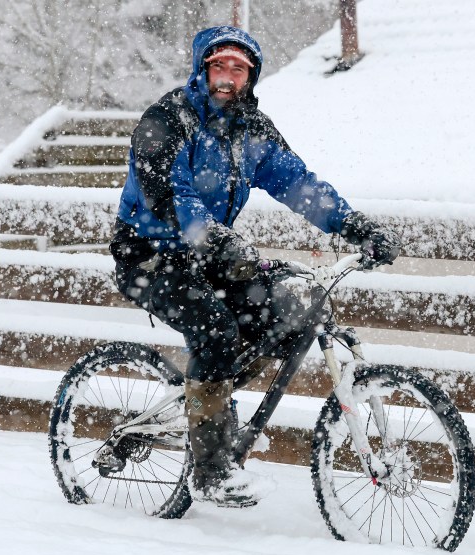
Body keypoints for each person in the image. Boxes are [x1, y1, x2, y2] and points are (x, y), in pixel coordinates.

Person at [110, 25, 401, 507]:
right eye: (218, 66)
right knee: (217, 333)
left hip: (210, 253)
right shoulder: (166, 120)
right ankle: (209, 468)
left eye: (238, 69)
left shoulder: (250, 130)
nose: (227, 77)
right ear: (202, 70)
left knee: (286, 307)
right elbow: (170, 196)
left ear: (251, 77)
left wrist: (354, 226)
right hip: (150, 253)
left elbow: (298, 185)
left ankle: (213, 404)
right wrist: (214, 238)